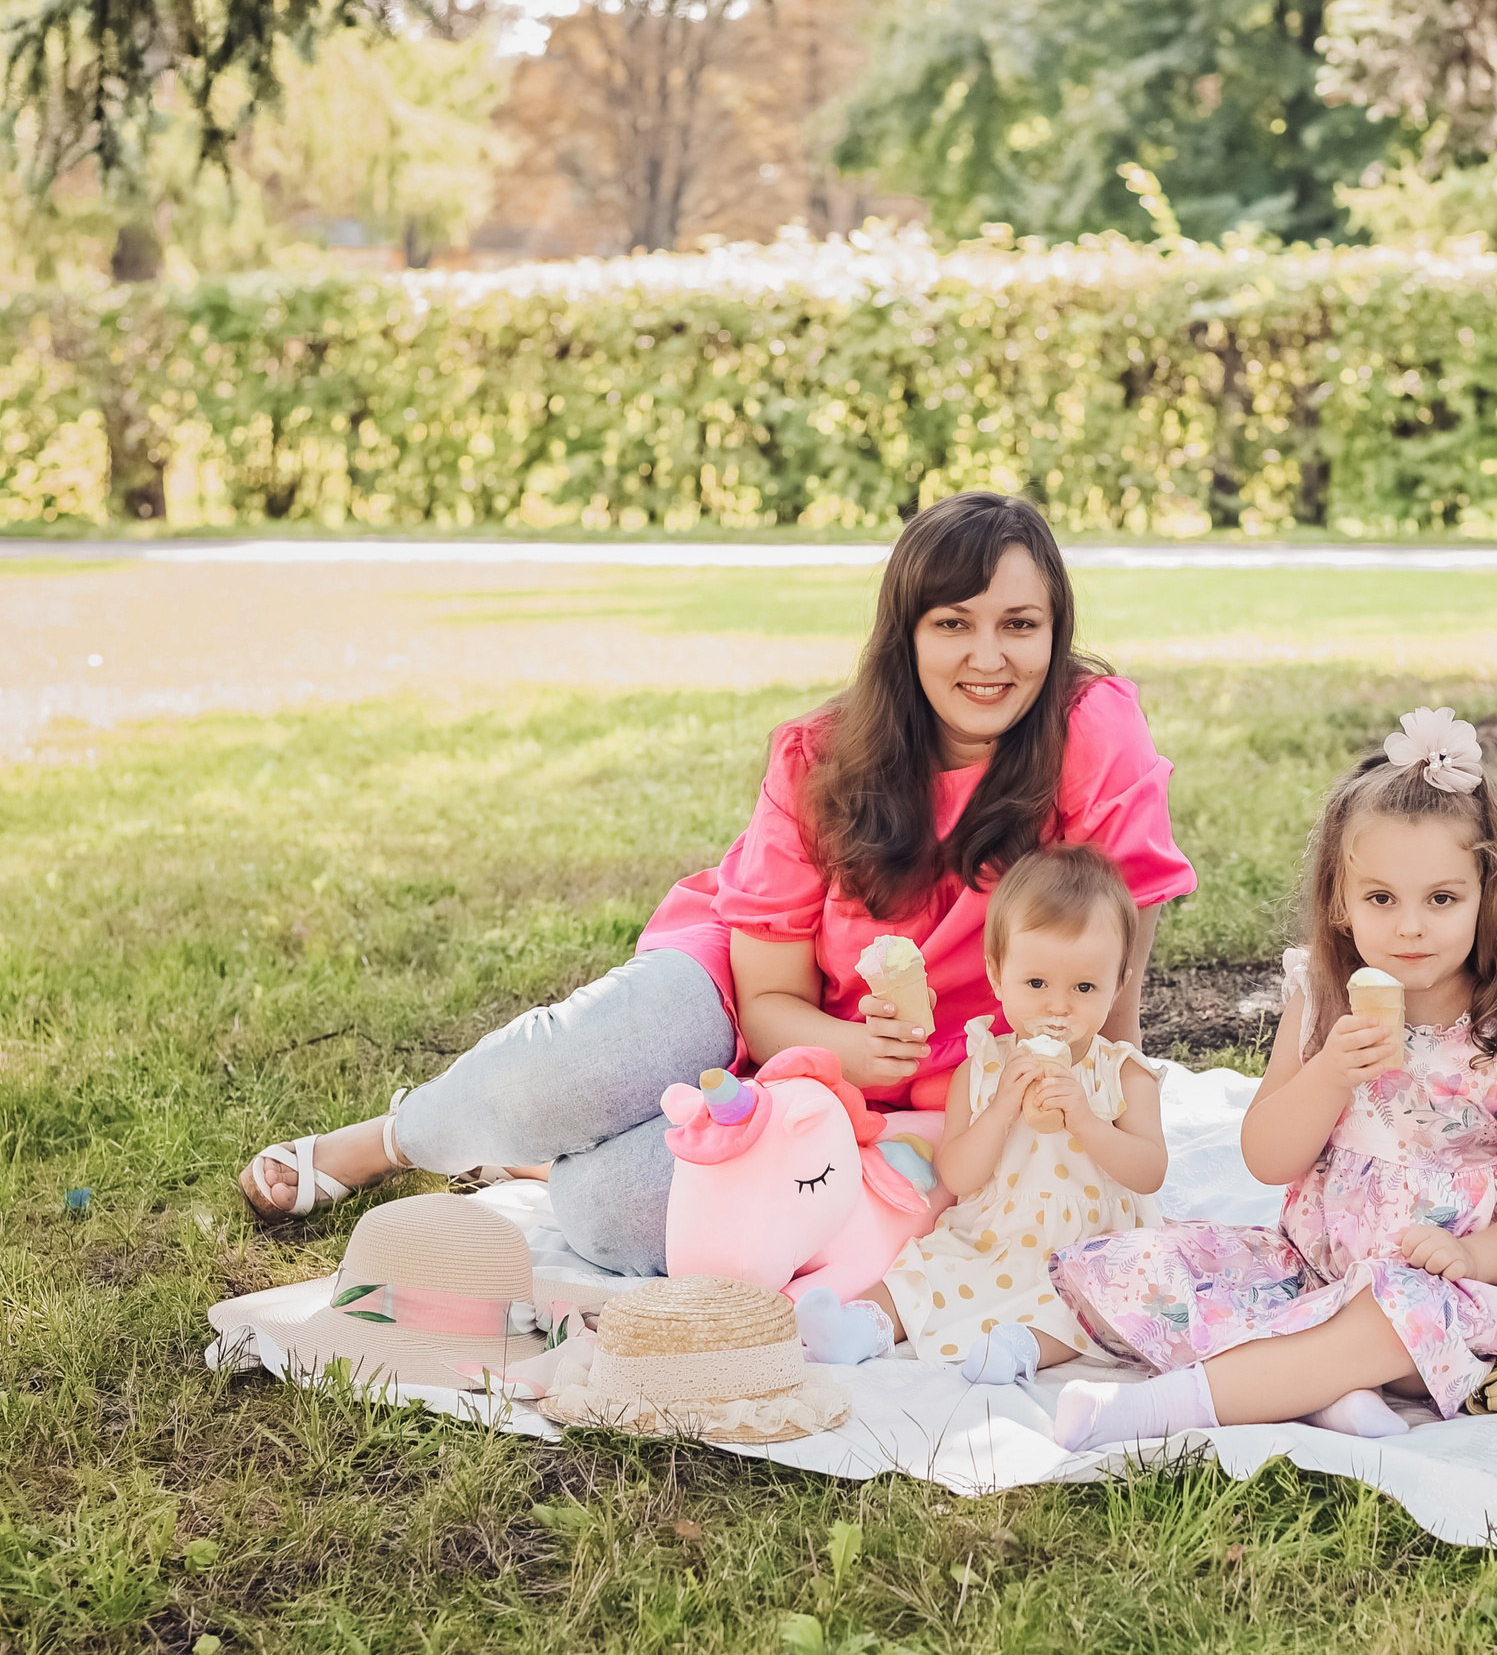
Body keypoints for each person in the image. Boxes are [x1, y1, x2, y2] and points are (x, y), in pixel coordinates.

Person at [236, 492, 1197, 1277]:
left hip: (921, 1089)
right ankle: (391, 1141)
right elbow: (770, 996)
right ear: (906, 633)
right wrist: (846, 1046)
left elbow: (1115, 956)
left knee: (613, 1214)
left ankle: (529, 1154)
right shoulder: (826, 758)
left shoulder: (1092, 733)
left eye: (1020, 625)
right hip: (745, 998)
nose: (989, 659)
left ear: (1055, 631)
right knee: (559, 1068)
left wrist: (1105, 1099)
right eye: (954, 623)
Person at [1045, 707, 1497, 1449]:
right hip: (1312, 1267)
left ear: (1486, 894)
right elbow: (1268, 1156)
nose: (1410, 926)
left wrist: (1473, 1257)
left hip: (1452, 1287)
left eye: (1442, 898)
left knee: (1393, 1315)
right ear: (1340, 902)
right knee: (1150, 1264)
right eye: (1381, 898)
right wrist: (1328, 1076)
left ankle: (1165, 1408)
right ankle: (1330, 1390)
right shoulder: (1320, 997)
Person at [809, 843, 1170, 1382]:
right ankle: (861, 1324)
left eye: (1085, 987)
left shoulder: (1122, 1073)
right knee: (927, 1267)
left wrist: (1089, 1123)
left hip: (1091, 1244)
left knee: (1094, 1304)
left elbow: (1150, 1171)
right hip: (995, 1233)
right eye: (1036, 983)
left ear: (1118, 985)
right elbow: (956, 1175)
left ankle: (1020, 1350)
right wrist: (1002, 1107)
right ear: (998, 977)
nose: (1058, 1006)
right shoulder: (980, 1069)